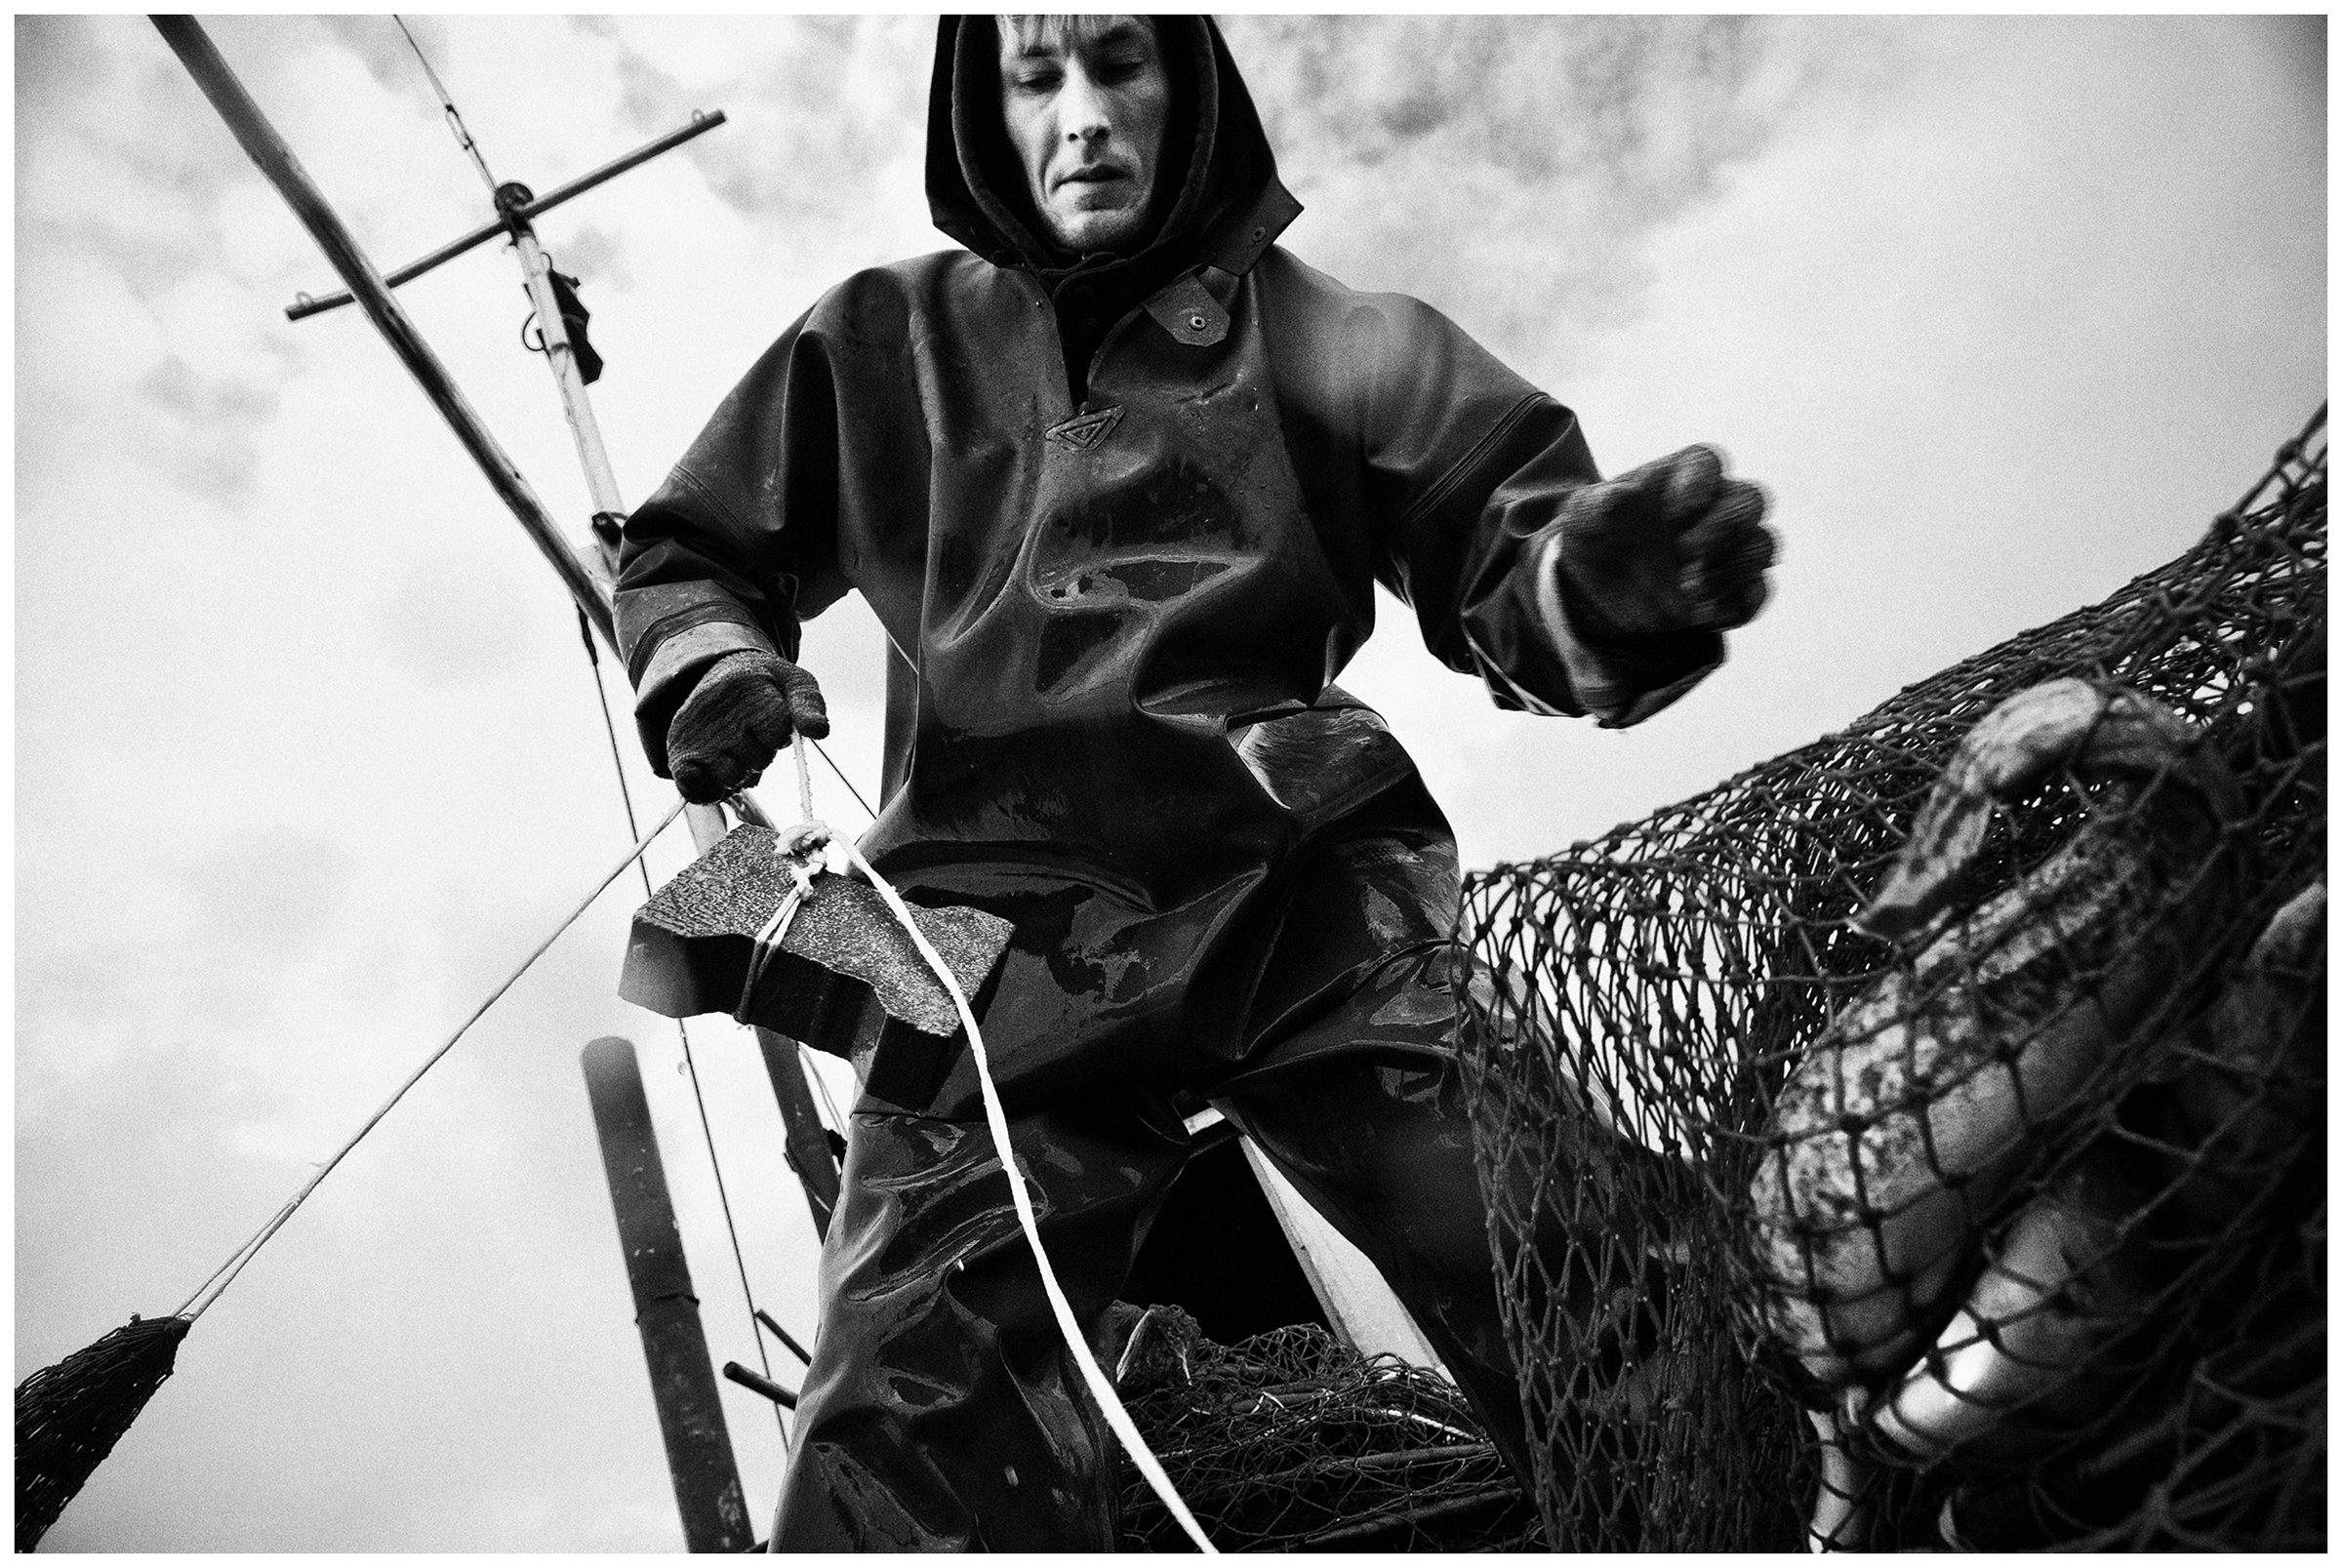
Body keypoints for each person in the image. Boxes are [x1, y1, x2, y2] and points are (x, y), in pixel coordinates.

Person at [616, 15, 1775, 1550]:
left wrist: (1594, 582)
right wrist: (714, 661)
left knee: (1546, 1234)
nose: (1084, 114)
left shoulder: (1340, 341)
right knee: (910, 1386)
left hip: (1300, 888)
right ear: (984, 113)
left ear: (1189, 89)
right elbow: (691, 546)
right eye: (1037, 77)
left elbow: (1507, 534)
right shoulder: (882, 339)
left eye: (1121, 65)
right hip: (990, 939)